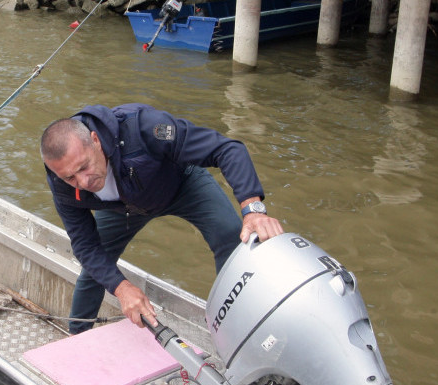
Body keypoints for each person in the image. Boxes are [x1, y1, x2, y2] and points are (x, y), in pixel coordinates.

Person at [40, 103, 283, 334]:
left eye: (84, 167)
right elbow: (85, 245)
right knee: (96, 271)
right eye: (70, 178)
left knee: (230, 235)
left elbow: (226, 149)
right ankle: (76, 336)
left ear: (95, 140)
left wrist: (253, 209)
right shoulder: (61, 185)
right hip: (124, 207)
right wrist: (122, 288)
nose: (83, 182)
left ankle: (232, 326)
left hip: (181, 185)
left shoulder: (144, 127)